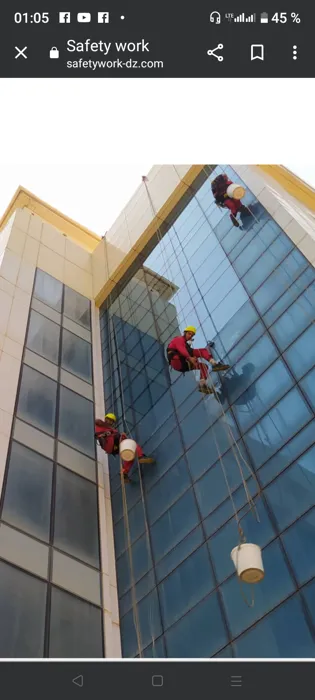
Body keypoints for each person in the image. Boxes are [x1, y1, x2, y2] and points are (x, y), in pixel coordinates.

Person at [167, 326, 230, 395]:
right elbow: (181, 349)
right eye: (189, 334)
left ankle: (202, 385)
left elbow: (185, 351)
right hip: (177, 360)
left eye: (192, 335)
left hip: (182, 365)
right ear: (185, 333)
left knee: (204, 366)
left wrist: (191, 358)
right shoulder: (178, 339)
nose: (190, 336)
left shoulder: (186, 344)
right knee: (202, 351)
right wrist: (190, 358)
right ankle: (215, 364)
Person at [95, 413, 154, 482]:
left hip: (113, 448)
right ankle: (141, 456)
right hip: (112, 443)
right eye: (108, 420)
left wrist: (121, 435)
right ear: (105, 419)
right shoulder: (102, 426)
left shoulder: (111, 430)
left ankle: (124, 472)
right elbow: (97, 421)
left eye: (111, 421)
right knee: (133, 445)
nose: (109, 422)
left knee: (129, 454)